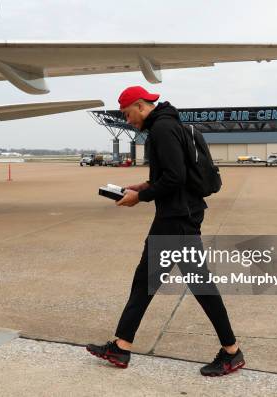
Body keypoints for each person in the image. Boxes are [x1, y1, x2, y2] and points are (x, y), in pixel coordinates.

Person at [85, 86, 245, 376]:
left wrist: (140, 197)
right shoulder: (169, 125)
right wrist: (144, 186)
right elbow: (174, 174)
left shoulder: (162, 129)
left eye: (127, 114)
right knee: (149, 282)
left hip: (176, 219)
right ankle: (121, 346)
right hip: (180, 216)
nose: (128, 120)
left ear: (139, 105)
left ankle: (231, 352)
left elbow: (175, 177)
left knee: (187, 285)